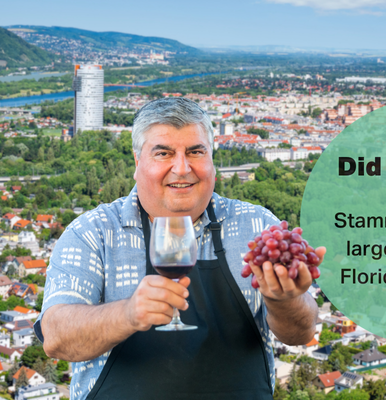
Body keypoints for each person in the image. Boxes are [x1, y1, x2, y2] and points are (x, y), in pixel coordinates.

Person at [35, 97, 324, 400]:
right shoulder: (93, 233)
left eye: (196, 152)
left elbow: (300, 334)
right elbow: (56, 338)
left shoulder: (258, 226)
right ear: (137, 163)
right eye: (164, 153)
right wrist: (127, 314)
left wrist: (284, 300)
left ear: (212, 160)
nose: (182, 168)